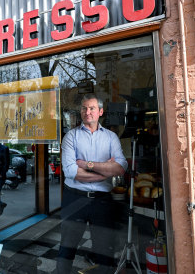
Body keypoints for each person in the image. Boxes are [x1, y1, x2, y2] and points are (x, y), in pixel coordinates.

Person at [57, 94, 128, 274]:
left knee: (105, 251)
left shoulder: (111, 137)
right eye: (84, 108)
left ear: (100, 112)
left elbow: (120, 168)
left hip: (102, 201)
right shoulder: (70, 137)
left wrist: (88, 165)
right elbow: (71, 172)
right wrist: (105, 172)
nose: (87, 112)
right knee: (67, 248)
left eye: (92, 108)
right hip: (74, 198)